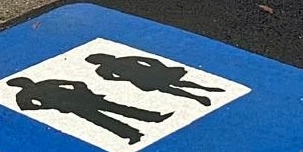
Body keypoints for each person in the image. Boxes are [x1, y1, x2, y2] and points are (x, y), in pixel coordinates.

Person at [7, 76, 171, 145]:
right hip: (72, 103)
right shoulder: (26, 93)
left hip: (79, 99)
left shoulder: (43, 84)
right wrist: (52, 105)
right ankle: (135, 132)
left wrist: (83, 92)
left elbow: (76, 83)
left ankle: (152, 119)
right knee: (105, 118)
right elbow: (25, 106)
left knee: (115, 111)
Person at [86, 53, 226, 106]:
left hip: (147, 74)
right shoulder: (103, 69)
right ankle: (197, 96)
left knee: (175, 84)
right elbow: (108, 78)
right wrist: (126, 78)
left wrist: (160, 68)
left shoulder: (125, 59)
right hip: (141, 77)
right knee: (169, 88)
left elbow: (150, 60)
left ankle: (204, 89)